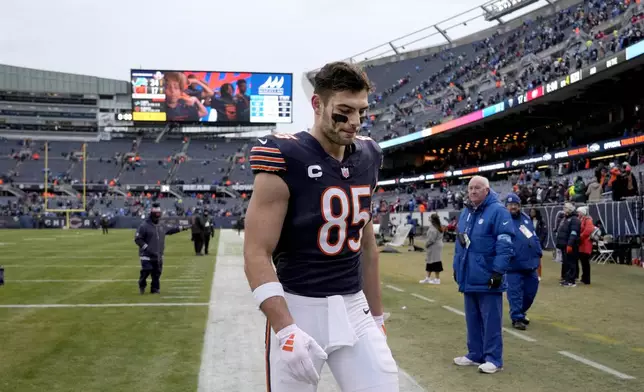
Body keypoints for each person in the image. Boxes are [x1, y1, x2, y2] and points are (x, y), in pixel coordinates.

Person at [243, 61, 398, 391]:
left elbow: (367, 247)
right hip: (299, 305)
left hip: (354, 306)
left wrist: (377, 316)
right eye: (344, 110)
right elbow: (257, 252)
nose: (354, 121)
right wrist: (285, 328)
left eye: (361, 111)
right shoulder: (286, 155)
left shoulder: (368, 155)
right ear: (317, 105)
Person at [453, 175, 514, 374]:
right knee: (472, 319)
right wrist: (457, 268)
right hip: (469, 276)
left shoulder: (498, 212)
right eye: (470, 188)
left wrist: (497, 271)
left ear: (487, 190)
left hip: (488, 277)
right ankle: (475, 354)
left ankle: (494, 359)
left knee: (491, 320)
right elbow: (459, 244)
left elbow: (505, 245)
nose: (472, 192)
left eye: (477, 188)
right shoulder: (466, 213)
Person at [505, 194, 541, 331]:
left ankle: (520, 311)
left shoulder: (525, 219)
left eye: (515, 204)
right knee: (514, 293)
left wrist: (538, 250)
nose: (513, 207)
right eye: (510, 204)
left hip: (530, 264)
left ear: (519, 206)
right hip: (513, 265)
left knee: (531, 291)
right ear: (506, 206)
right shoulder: (503, 220)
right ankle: (517, 317)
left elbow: (533, 236)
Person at [134, 203, 188, 294]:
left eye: (159, 214)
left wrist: (182, 228)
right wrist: (146, 247)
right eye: (156, 214)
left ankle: (155, 288)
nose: (157, 217)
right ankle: (142, 283)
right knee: (146, 270)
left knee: (157, 273)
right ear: (151, 214)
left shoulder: (161, 225)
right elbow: (138, 239)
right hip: (146, 255)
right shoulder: (144, 226)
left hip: (158, 254)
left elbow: (171, 230)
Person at [555, 202, 581, 287]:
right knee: (566, 262)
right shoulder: (565, 218)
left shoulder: (574, 220)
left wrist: (570, 244)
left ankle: (571, 280)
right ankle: (566, 279)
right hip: (564, 244)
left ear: (569, 209)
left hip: (570, 245)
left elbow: (573, 233)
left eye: (565, 208)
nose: (564, 209)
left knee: (571, 262)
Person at [420, 213, 444, 284]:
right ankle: (427, 277)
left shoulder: (433, 228)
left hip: (434, 246)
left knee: (435, 261)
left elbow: (431, 240)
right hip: (437, 245)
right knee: (430, 261)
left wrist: (426, 245)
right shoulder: (438, 226)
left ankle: (437, 279)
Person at [577, 206, 595, 285]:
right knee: (583, 262)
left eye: (579, 212)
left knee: (585, 263)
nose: (578, 213)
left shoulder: (588, 220)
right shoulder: (582, 219)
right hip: (582, 244)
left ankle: (586, 279)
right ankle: (584, 278)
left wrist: (580, 237)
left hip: (585, 244)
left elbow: (588, 231)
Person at [529, 208, 547, 280]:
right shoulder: (527, 221)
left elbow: (544, 232)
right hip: (529, 242)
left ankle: (539, 275)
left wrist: (539, 241)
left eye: (533, 212)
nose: (531, 213)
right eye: (531, 212)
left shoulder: (541, 221)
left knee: (538, 259)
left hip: (537, 243)